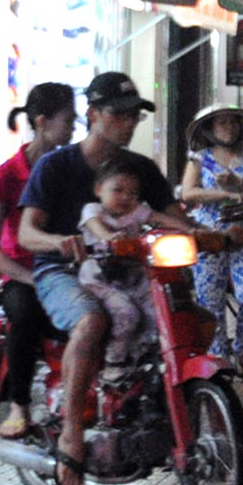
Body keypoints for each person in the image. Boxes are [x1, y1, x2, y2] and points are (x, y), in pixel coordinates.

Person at [17, 72, 213, 485]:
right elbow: (26, 234)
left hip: (131, 271)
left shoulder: (141, 170)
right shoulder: (55, 165)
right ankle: (71, 431)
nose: (128, 123)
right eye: (119, 114)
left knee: (197, 318)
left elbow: (171, 218)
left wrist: (214, 234)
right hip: (64, 271)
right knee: (92, 322)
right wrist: (60, 242)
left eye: (133, 116)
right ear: (91, 114)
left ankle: (162, 409)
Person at [0, 82, 76, 439]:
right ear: (41, 121)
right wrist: (30, 279)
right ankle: (19, 405)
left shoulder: (72, 171)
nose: (73, 129)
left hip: (66, 271)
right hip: (23, 276)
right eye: (67, 121)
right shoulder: (6, 175)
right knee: (26, 314)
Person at [180, 105, 243, 377]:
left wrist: (240, 185)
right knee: (210, 300)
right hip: (209, 235)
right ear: (210, 129)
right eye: (222, 123)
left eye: (232, 123)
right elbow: (189, 193)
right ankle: (219, 357)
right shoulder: (200, 158)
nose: (228, 128)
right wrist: (224, 194)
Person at [77, 152, 160, 373]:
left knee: (159, 306)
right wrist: (108, 237)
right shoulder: (93, 211)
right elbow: (95, 226)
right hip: (100, 280)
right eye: (118, 190)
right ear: (99, 189)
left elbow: (159, 218)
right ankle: (115, 360)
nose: (125, 197)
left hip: (133, 276)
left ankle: (146, 352)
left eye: (133, 193)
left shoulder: (136, 212)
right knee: (126, 313)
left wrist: (189, 230)